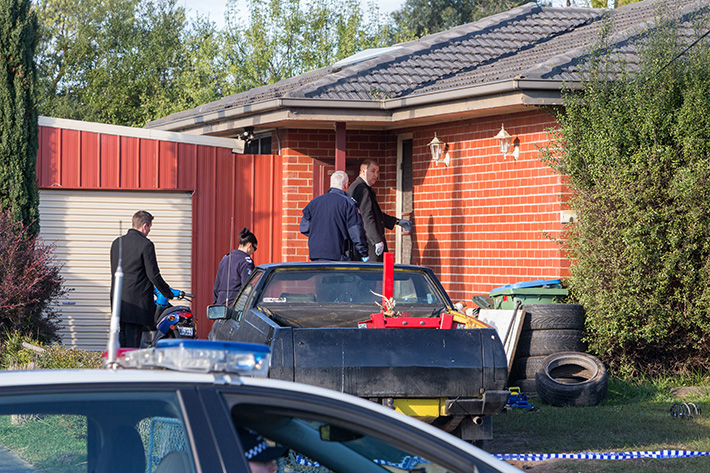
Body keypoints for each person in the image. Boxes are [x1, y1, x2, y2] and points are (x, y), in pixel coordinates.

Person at [110, 211, 175, 348]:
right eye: (150, 227)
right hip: (138, 303)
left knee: (121, 340)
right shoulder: (146, 245)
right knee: (133, 343)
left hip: (118, 300)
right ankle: (130, 368)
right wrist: (167, 292)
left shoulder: (117, 243)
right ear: (145, 226)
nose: (149, 231)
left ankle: (120, 367)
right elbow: (153, 275)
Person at [348, 159, 411, 262]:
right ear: (363, 171)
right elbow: (366, 216)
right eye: (373, 171)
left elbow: (376, 214)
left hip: (364, 242)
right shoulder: (362, 189)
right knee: (374, 274)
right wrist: (376, 240)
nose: (375, 175)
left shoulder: (359, 187)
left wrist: (397, 221)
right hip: (368, 243)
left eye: (377, 172)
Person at [300, 170, 369, 262]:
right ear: (345, 185)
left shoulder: (314, 203)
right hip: (339, 254)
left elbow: (304, 228)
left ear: (331, 184)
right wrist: (363, 253)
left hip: (316, 254)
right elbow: (356, 231)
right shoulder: (348, 204)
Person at [213, 228, 258, 305]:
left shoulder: (225, 259)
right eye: (255, 248)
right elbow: (246, 287)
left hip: (220, 303)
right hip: (235, 305)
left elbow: (216, 286)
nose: (253, 252)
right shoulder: (246, 262)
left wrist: (215, 304)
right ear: (250, 245)